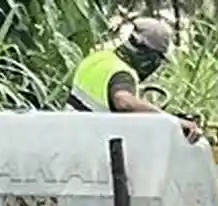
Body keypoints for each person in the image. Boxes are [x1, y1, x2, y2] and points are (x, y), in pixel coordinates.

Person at [65, 18, 199, 143]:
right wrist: (171, 121)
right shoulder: (122, 73)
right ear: (149, 57)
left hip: (68, 137)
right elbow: (123, 101)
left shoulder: (99, 58)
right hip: (92, 147)